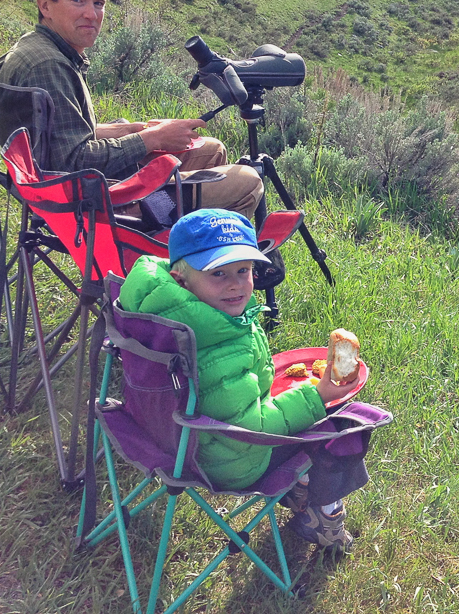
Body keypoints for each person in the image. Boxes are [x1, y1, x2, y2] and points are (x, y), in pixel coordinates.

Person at [119, 209, 367, 552]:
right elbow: (254, 429)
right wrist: (318, 394)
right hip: (229, 460)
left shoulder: (159, 312)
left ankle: (302, 488)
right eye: (218, 273)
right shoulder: (216, 344)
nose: (236, 284)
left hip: (163, 438)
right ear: (180, 280)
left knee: (306, 405)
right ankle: (325, 519)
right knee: (341, 425)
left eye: (244, 270)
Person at [0, 0, 262, 217]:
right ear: (45, 6)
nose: (91, 14)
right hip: (93, 202)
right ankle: (184, 248)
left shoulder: (34, 48)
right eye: (77, 0)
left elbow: (57, 136)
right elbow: (73, 162)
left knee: (211, 150)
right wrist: (153, 139)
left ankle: (185, 240)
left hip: (60, 187)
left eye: (98, 3)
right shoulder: (49, 65)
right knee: (247, 181)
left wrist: (135, 130)